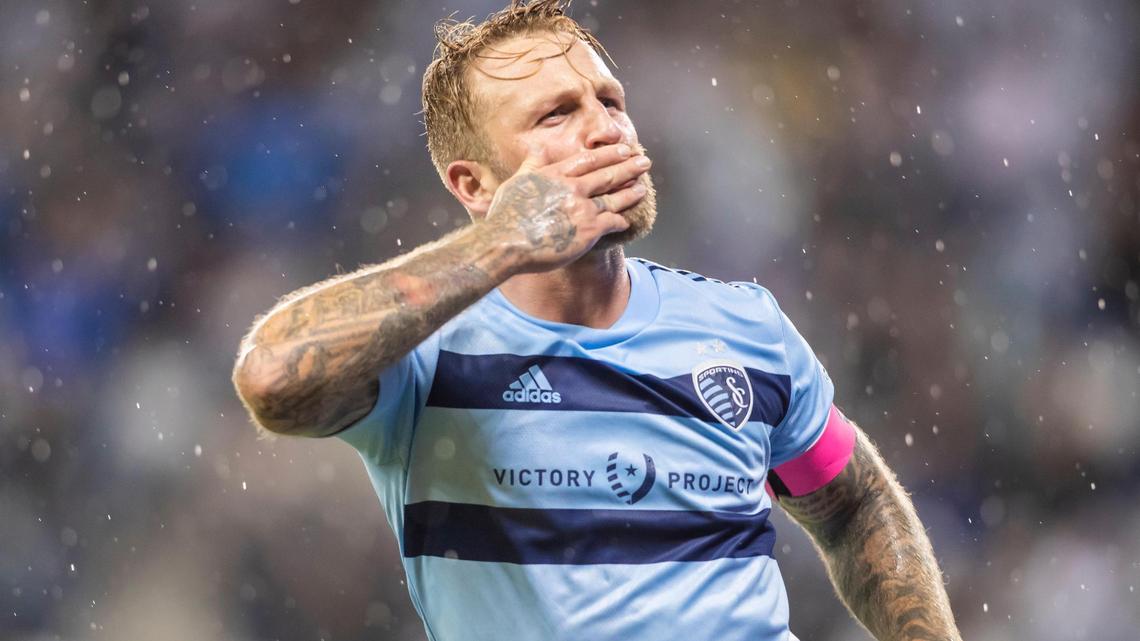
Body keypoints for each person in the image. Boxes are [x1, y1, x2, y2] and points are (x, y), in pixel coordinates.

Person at [232, 2, 963, 640]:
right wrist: (499, 243)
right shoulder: (426, 356)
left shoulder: (743, 326)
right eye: (557, 114)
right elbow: (271, 377)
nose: (606, 128)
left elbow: (853, 503)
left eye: (610, 101)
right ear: (474, 184)